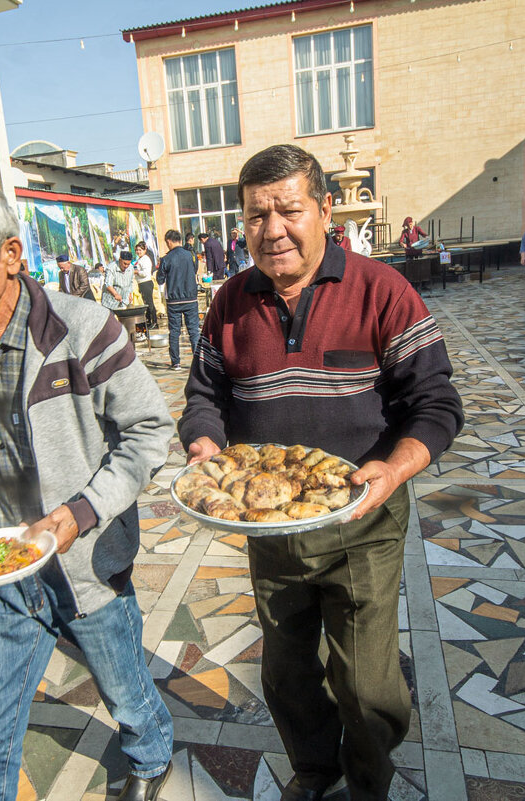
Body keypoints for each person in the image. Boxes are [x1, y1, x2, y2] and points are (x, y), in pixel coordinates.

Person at [179, 145, 463, 801]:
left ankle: (366, 779)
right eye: (256, 215)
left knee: (365, 680)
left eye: (288, 210)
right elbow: (205, 395)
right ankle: (314, 769)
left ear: (325, 209)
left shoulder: (379, 289)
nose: (271, 228)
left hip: (362, 521)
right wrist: (203, 444)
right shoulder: (229, 301)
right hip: (271, 526)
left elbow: (436, 404)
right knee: (286, 670)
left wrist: (391, 471)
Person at [0, 179, 175, 801]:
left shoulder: (83, 330)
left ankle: (151, 753)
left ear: (10, 255)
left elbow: (150, 434)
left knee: (123, 685)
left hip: (83, 559)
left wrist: (75, 515)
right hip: (0, 564)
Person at [156, 229, 200, 371]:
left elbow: (160, 279)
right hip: (191, 298)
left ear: (169, 241)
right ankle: (198, 362)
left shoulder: (166, 259)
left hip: (174, 301)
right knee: (194, 331)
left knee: (174, 331)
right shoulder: (190, 255)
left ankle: (176, 363)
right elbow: (195, 270)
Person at [134, 241, 158, 330]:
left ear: (144, 250)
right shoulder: (139, 259)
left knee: (149, 303)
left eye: (140, 250)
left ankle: (154, 322)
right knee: (146, 303)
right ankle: (148, 321)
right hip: (141, 283)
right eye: (137, 250)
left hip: (146, 282)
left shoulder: (146, 259)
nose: (138, 252)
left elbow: (145, 273)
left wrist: (136, 272)